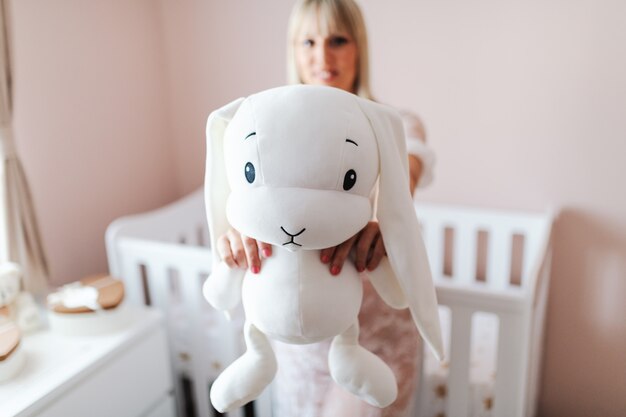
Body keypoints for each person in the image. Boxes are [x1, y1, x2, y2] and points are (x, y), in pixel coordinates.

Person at [216, 0, 435, 415]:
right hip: (300, 345)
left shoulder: (394, 125)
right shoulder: (268, 133)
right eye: (308, 41)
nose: (322, 56)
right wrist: (239, 233)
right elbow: (251, 202)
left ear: (359, 47)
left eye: (337, 40)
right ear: (293, 49)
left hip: (374, 339)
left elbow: (402, 182)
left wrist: (379, 220)